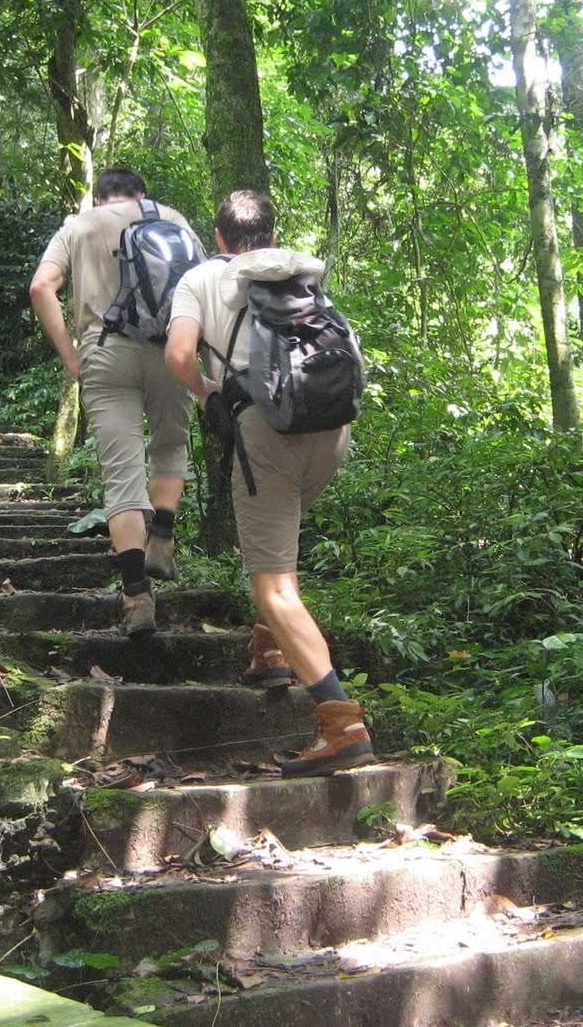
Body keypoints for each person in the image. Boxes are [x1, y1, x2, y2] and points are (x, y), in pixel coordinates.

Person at [164, 189, 373, 778]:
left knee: (273, 586)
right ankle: (271, 651)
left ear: (220, 236)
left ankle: (341, 724)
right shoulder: (298, 274)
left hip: (267, 432)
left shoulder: (201, 278)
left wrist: (206, 391)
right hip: (330, 430)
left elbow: (181, 354)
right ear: (272, 233)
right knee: (279, 548)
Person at [29, 166, 203, 636]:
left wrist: (70, 354)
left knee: (121, 471)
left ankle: (136, 595)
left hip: (104, 353)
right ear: (140, 194)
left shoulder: (79, 225)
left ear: (98, 197)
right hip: (170, 349)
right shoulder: (174, 218)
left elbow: (41, 286)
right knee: (170, 441)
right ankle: (162, 536)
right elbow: (204, 286)